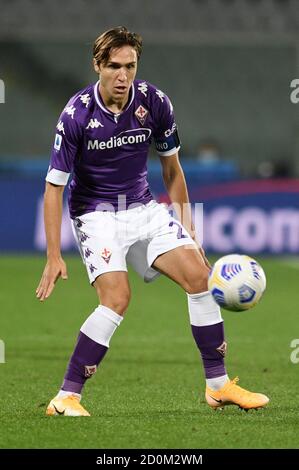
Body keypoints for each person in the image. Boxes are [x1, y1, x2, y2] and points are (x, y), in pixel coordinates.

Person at [36, 26, 269, 417]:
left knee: (200, 278)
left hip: (144, 207)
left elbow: (173, 171)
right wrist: (53, 255)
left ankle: (218, 386)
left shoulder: (154, 102)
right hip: (97, 214)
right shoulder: (76, 115)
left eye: (130, 66)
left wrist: (188, 230)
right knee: (117, 298)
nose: (123, 76)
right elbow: (53, 188)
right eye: (114, 66)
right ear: (97, 66)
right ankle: (66, 397)